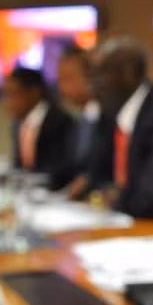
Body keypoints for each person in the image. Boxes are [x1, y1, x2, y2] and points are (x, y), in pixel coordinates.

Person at [85, 37, 153, 226]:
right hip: (119, 223)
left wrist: (113, 198)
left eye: (101, 73)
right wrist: (103, 195)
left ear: (128, 74)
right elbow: (96, 178)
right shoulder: (111, 115)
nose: (93, 85)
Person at [2, 67, 76, 189]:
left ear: (35, 92)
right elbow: (19, 166)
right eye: (5, 94)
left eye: (13, 94)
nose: (7, 102)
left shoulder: (60, 122)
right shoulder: (18, 125)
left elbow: (61, 170)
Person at [56, 45, 100, 195]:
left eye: (67, 79)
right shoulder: (80, 121)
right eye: (60, 79)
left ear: (91, 78)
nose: (61, 87)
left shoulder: (109, 119)